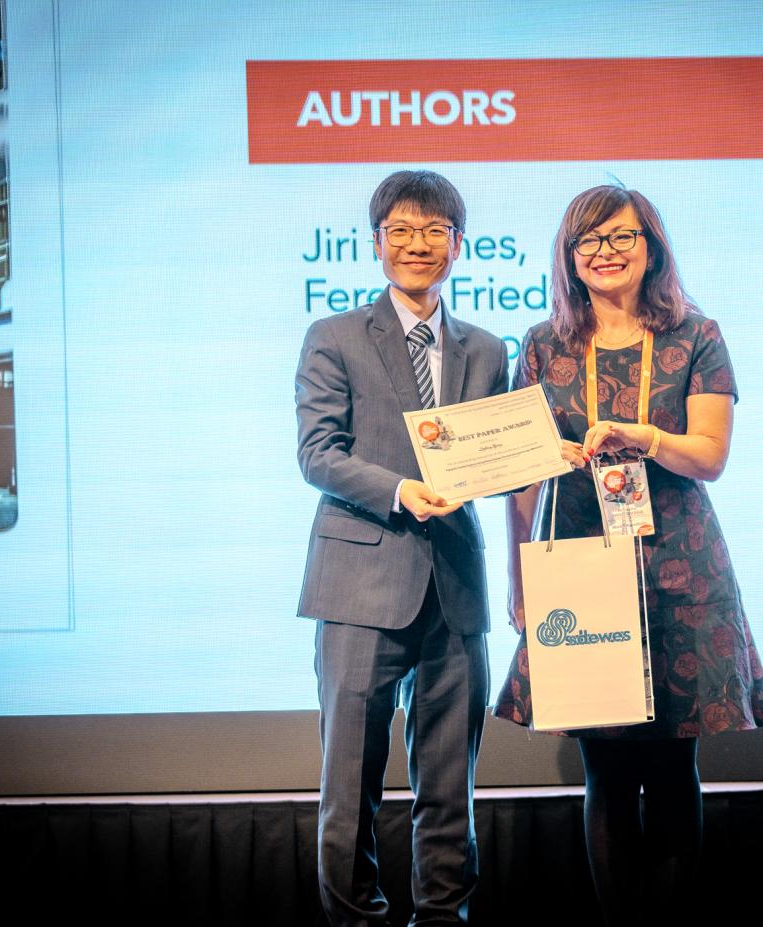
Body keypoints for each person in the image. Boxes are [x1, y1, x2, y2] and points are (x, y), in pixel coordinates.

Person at [493, 185, 763, 926]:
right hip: (579, 564)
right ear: (569, 257)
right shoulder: (542, 345)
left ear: (651, 247)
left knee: (673, 765)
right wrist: (519, 577)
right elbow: (520, 480)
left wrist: (642, 436)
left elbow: (710, 456)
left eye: (622, 236)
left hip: (677, 565)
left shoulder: (696, 335)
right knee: (607, 770)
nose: (606, 252)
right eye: (589, 240)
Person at [295, 170, 508, 927]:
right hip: (359, 581)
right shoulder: (334, 337)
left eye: (434, 231)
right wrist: (399, 490)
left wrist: (547, 456)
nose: (418, 244)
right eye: (402, 231)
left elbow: (497, 461)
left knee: (450, 788)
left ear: (459, 244)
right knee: (349, 785)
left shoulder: (488, 350)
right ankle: (354, 922)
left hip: (454, 588)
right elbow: (318, 453)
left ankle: (443, 920)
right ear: (376, 243)